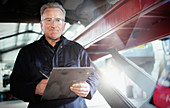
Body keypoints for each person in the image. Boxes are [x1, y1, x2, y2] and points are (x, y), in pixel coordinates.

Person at [10, 2, 98, 108]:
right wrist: (35, 88)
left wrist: (88, 87)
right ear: (41, 25)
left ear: (64, 25)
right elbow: (15, 86)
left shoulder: (77, 49)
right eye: (48, 20)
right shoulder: (27, 52)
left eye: (58, 20)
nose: (53, 25)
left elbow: (93, 76)